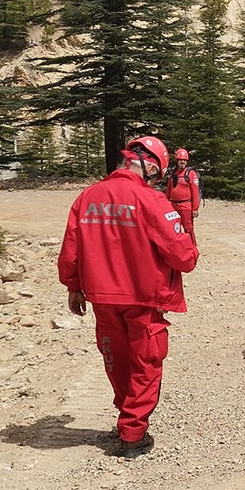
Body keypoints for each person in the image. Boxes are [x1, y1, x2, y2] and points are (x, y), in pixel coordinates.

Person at [58, 136, 199, 458]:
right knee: (146, 361)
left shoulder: (87, 197)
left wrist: (73, 286)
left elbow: (71, 249)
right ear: (150, 166)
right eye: (158, 175)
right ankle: (133, 432)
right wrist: (190, 249)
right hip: (143, 297)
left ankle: (127, 416)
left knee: (116, 360)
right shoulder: (151, 200)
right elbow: (183, 258)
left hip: (102, 298)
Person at [164, 148, 202, 247]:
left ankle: (192, 248)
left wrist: (195, 208)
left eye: (184, 160)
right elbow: (169, 190)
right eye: (180, 160)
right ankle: (178, 247)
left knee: (188, 229)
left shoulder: (190, 174)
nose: (182, 162)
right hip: (174, 206)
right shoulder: (173, 174)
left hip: (186, 206)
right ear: (177, 160)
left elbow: (195, 192)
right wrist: (165, 204)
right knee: (174, 228)